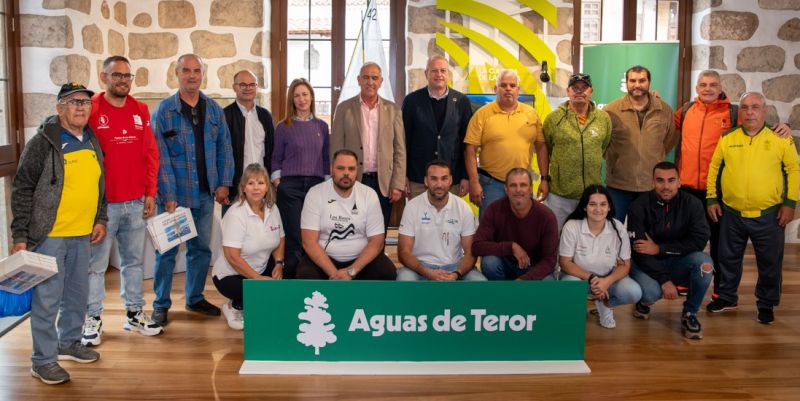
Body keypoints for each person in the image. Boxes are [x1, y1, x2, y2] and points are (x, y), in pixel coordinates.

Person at [11, 83, 107, 384]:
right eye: (73, 101)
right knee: (47, 300)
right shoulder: (42, 142)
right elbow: (23, 188)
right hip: (50, 236)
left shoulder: (92, 140)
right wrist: (20, 236)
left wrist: (99, 218)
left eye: (85, 102)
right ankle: (42, 360)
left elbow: (100, 184)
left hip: (83, 234)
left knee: (77, 297)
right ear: (59, 107)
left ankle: (69, 343)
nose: (81, 107)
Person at [673, 70, 792, 299]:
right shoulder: (687, 110)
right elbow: (666, 121)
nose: (708, 89)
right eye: (703, 84)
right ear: (697, 88)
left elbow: (756, 124)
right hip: (687, 186)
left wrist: (783, 125)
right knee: (687, 238)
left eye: (713, 85)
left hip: (716, 190)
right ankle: (685, 279)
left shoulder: (733, 111)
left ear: (720, 88)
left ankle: (721, 290)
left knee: (721, 244)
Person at [82, 56, 163, 347]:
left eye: (127, 76)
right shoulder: (92, 111)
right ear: (104, 77)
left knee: (133, 262)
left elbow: (151, 154)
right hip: (103, 207)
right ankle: (92, 318)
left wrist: (150, 192)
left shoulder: (140, 110)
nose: (123, 80)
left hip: (136, 202)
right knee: (95, 266)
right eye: (117, 75)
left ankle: (135, 313)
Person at [151, 54, 234, 325]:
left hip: (205, 194)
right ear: (177, 74)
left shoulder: (213, 110)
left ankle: (194, 298)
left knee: (200, 250)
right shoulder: (165, 111)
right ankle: (161, 303)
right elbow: (159, 156)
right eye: (186, 70)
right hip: (175, 196)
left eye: (197, 71)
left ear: (202, 75)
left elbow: (224, 148)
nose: (192, 75)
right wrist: (169, 195)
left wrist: (224, 183)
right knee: (167, 252)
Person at [705, 92, 799, 324]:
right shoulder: (728, 138)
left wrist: (790, 204)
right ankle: (727, 297)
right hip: (732, 213)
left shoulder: (780, 138)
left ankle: (766, 304)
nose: (749, 112)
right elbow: (714, 168)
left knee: (769, 262)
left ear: (764, 111)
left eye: (755, 107)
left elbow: (794, 170)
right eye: (745, 107)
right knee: (727, 258)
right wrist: (711, 199)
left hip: (769, 215)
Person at [627, 162, 712, 340]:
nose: (666, 186)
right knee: (651, 292)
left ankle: (690, 314)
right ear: (652, 182)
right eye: (660, 181)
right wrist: (664, 281)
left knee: (705, 264)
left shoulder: (693, 204)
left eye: (671, 180)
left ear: (679, 182)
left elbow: (698, 241)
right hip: (645, 264)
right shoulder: (639, 205)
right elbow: (640, 251)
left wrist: (660, 249)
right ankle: (644, 302)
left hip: (678, 260)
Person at [295, 149, 397, 280]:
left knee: (386, 272)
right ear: (332, 169)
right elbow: (309, 242)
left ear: (357, 171)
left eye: (351, 169)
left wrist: (351, 271)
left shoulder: (369, 195)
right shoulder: (315, 193)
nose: (346, 173)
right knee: (305, 274)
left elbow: (376, 242)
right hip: (325, 259)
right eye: (341, 168)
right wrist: (333, 273)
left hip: (360, 261)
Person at [331, 62, 406, 228]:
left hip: (383, 182)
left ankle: (378, 255)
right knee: (352, 226)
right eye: (365, 77)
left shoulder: (393, 110)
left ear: (381, 82)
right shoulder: (344, 108)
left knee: (379, 228)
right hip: (352, 179)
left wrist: (398, 183)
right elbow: (335, 148)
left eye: (374, 78)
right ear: (358, 80)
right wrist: (336, 178)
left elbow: (400, 150)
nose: (370, 82)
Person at [464, 69, 547, 216]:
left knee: (523, 228)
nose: (508, 89)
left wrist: (545, 179)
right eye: (503, 85)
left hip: (522, 184)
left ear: (518, 89)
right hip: (491, 185)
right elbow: (470, 150)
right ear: (496, 89)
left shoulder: (531, 114)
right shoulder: (481, 114)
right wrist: (474, 182)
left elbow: (541, 147)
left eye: (512, 85)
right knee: (491, 231)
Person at [212, 163, 285, 330]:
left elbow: (280, 239)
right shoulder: (236, 214)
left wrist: (279, 264)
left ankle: (250, 299)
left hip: (259, 269)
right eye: (251, 183)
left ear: (267, 186)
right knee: (266, 295)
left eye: (260, 183)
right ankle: (234, 305)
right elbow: (232, 257)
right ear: (243, 187)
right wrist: (258, 280)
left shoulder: (272, 209)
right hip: (230, 276)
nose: (256, 188)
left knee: (289, 276)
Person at [558, 185, 641, 329]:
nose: (598, 209)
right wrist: (592, 278)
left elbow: (625, 265)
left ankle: (604, 304)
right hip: (579, 278)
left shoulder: (618, 227)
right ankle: (577, 308)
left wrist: (606, 282)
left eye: (603, 204)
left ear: (609, 207)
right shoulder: (572, 226)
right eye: (592, 204)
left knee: (633, 292)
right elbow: (565, 263)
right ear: (584, 207)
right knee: (569, 285)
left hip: (607, 278)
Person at [604, 65, 677, 222]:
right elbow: (604, 143)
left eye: (642, 80)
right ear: (627, 83)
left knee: (645, 236)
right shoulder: (611, 110)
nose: (637, 85)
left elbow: (669, 141)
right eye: (633, 81)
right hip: (619, 186)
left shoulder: (664, 110)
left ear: (649, 82)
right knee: (613, 231)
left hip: (650, 186)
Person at [540, 73, 612, 229]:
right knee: (556, 239)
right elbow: (546, 149)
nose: (579, 91)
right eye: (575, 88)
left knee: (588, 240)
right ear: (568, 91)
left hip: (591, 196)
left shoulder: (603, 118)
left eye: (584, 88)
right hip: (560, 195)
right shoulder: (553, 119)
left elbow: (603, 146)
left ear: (591, 91)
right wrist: (544, 179)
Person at [272, 78, 330, 271]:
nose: (301, 99)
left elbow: (325, 157)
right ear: (292, 100)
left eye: (305, 94)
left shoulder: (322, 126)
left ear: (311, 97)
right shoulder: (283, 126)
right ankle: (292, 276)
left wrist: (328, 184)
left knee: (313, 233)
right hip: (290, 187)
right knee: (294, 234)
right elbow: (276, 157)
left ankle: (310, 273)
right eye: (297, 96)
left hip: (316, 187)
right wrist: (279, 182)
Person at [397, 160, 486, 281]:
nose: (439, 184)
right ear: (426, 181)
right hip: (420, 267)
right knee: (404, 280)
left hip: (455, 267)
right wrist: (427, 272)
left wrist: (457, 273)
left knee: (479, 282)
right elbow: (403, 252)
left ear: (450, 181)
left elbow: (470, 253)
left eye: (444, 179)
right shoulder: (412, 207)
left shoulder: (463, 208)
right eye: (434, 179)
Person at [402, 55, 472, 199]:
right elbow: (403, 142)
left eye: (443, 71)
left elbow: (467, 143)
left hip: (451, 180)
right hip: (418, 178)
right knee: (419, 220)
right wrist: (403, 175)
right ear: (426, 73)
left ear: (448, 74)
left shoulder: (461, 101)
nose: (439, 74)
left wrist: (466, 176)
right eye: (434, 71)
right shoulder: (411, 101)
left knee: (450, 220)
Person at [472, 168, 558, 280]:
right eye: (513, 185)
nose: (518, 190)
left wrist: (525, 279)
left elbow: (549, 261)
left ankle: (526, 295)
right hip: (504, 265)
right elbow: (477, 246)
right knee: (489, 263)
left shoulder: (546, 216)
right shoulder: (494, 209)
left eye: (523, 185)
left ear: (531, 188)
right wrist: (511, 247)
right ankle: (502, 296)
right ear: (506, 189)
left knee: (548, 281)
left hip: (533, 268)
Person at [223, 69, 274, 215]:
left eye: (252, 85)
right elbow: (220, 153)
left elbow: (271, 151)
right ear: (234, 87)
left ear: (256, 87)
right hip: (235, 187)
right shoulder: (225, 115)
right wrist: (223, 185)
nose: (248, 88)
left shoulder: (265, 116)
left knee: (260, 232)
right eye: (243, 85)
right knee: (233, 233)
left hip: (261, 187)